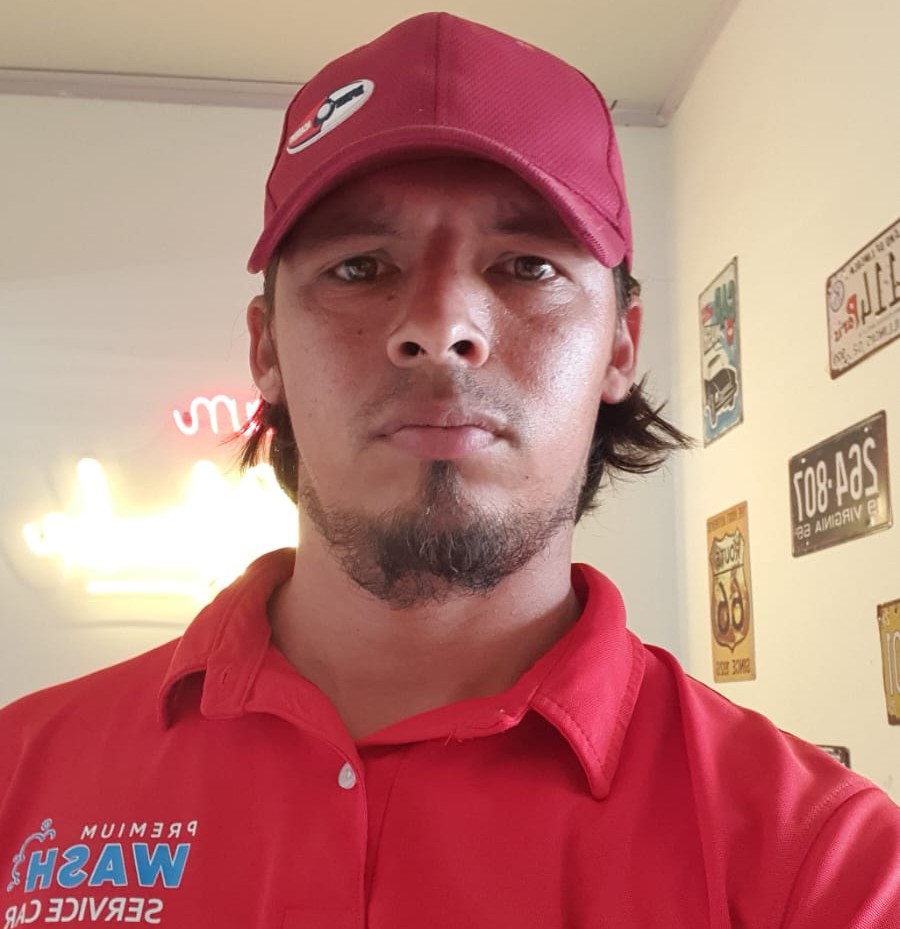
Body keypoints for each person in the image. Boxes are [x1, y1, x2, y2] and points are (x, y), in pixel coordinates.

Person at [1, 11, 898, 928]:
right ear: (266, 350)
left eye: (526, 266)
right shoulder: (16, 779)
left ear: (620, 346)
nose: (437, 325)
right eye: (359, 267)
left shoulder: (824, 867)